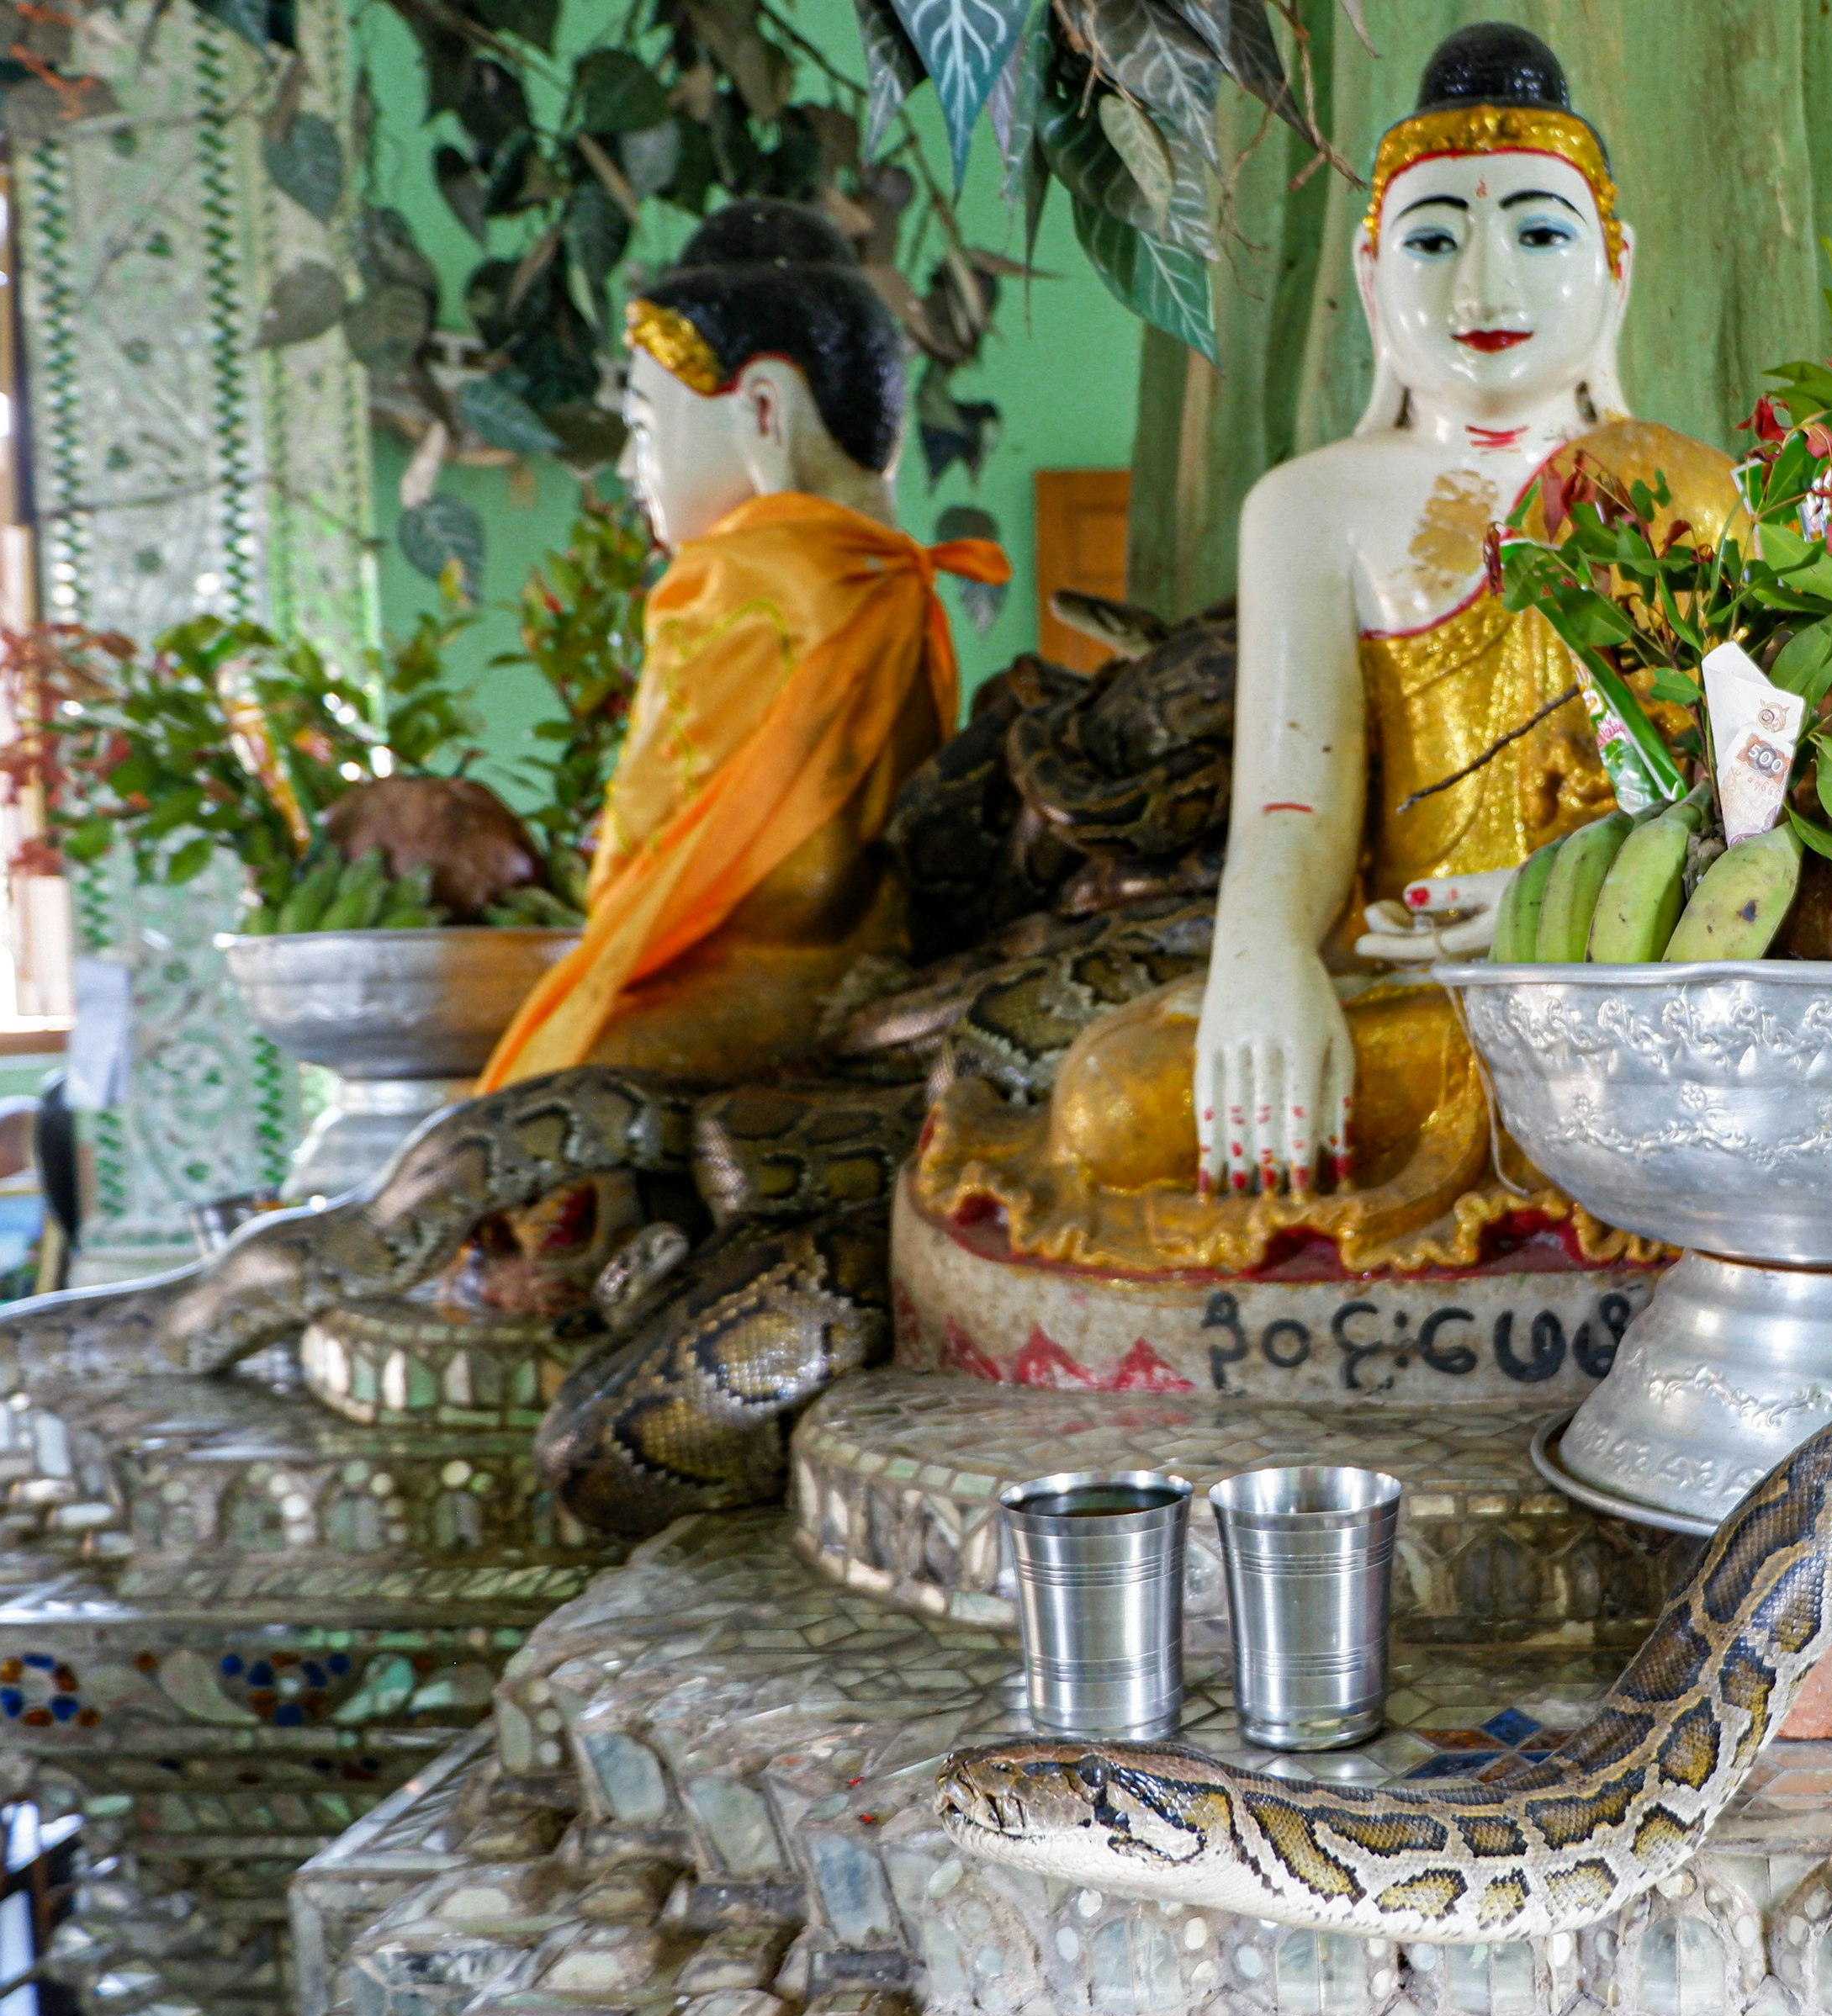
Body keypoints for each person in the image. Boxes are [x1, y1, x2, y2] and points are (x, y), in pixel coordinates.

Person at [917, 23, 1729, 1275]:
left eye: (1540, 232)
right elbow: (1295, 800)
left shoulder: (1686, 490)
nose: (1484, 290)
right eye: (1436, 239)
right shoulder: (1315, 504)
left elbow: (1741, 806)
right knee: (1117, 1101)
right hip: (1404, 992)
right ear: (1369, 272)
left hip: (1630, 996)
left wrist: (1559, 912)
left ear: (1617, 270)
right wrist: (1262, 963)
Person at [481, 201, 1009, 1088]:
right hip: (878, 967)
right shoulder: (898, 577)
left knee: (537, 1087)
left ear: (764, 409)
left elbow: (639, 850)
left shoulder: (743, 576)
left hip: (761, 980)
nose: (627, 470)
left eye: (644, 431)